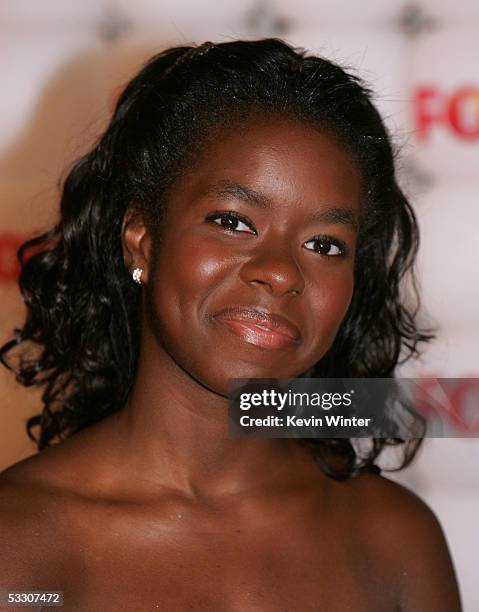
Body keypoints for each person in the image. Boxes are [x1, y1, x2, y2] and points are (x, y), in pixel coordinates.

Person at [0, 39, 461, 610]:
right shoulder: (19, 550)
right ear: (141, 239)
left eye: (324, 244)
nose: (279, 272)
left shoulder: (395, 539)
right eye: (234, 221)